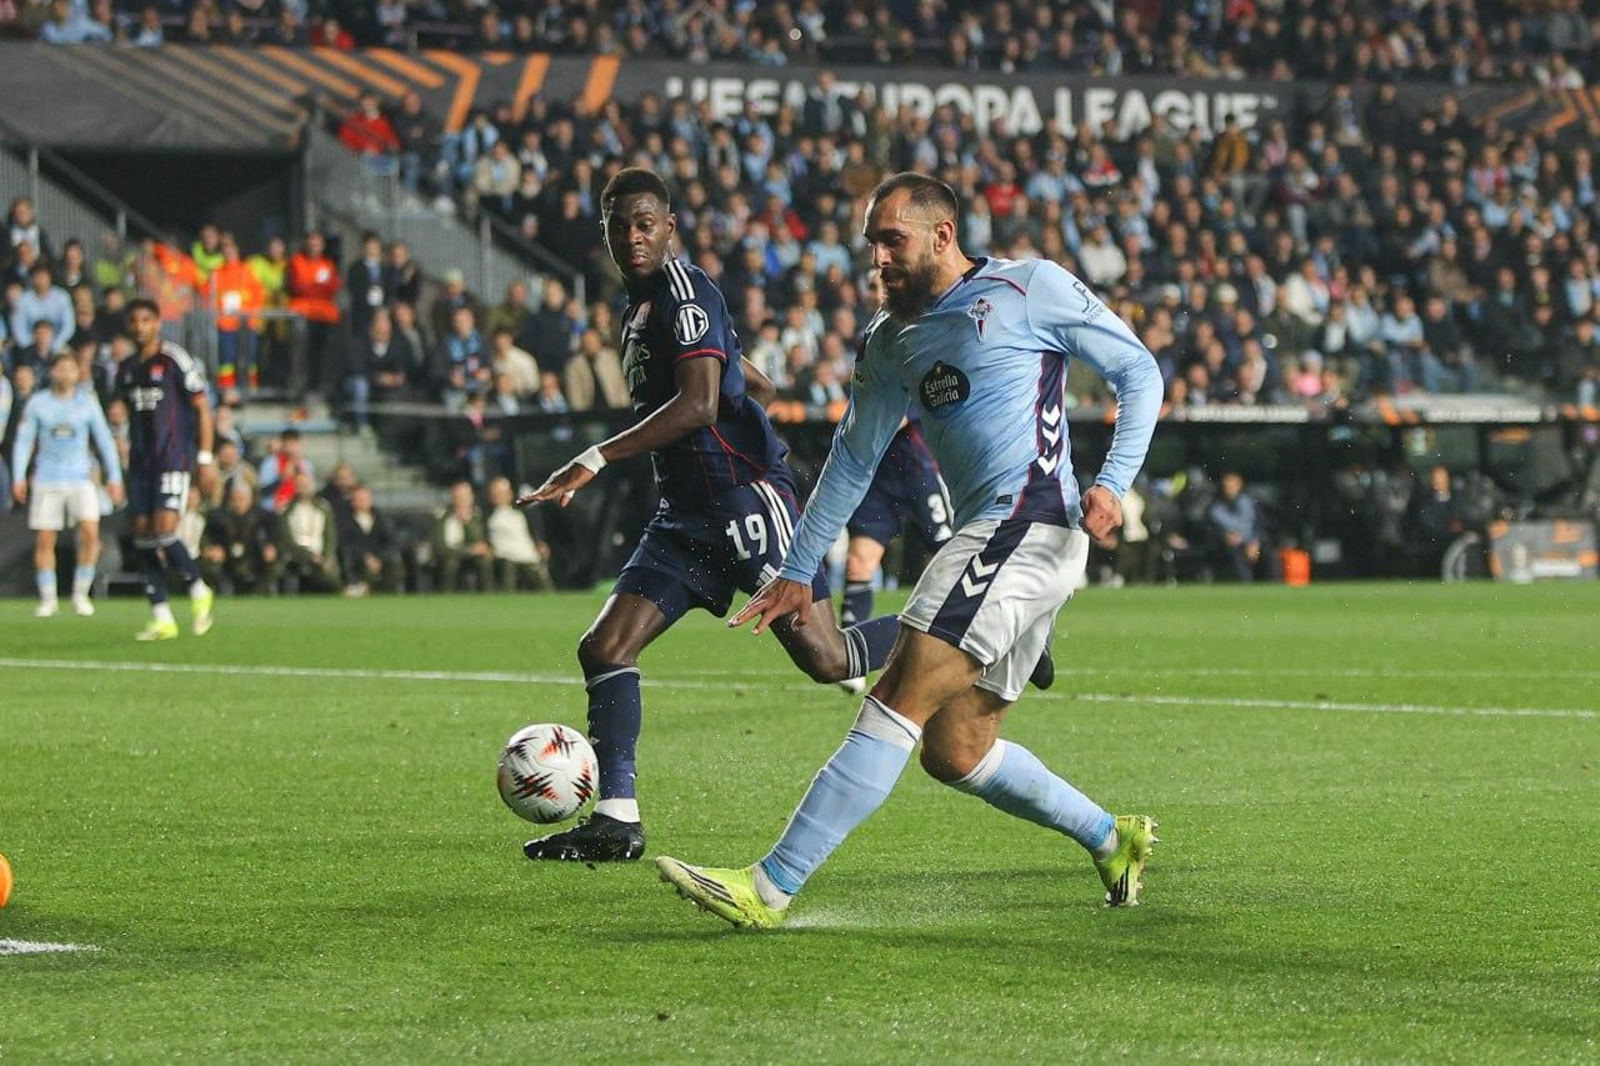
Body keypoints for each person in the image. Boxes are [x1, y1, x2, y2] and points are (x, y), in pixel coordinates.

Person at [655, 173, 1163, 927]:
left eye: (891, 241)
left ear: (942, 235)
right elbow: (853, 460)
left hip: (1026, 524)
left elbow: (1139, 371)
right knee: (955, 750)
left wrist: (1115, 482)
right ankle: (1109, 836)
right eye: (871, 247)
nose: (878, 262)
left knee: (897, 695)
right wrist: (798, 570)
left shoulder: (1030, 289)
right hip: (1004, 542)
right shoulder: (891, 341)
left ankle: (769, 888)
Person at [516, 168, 900, 864]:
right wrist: (733, 371)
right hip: (685, 514)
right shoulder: (642, 309)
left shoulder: (681, 291)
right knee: (605, 647)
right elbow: (755, 381)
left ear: (668, 227)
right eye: (619, 225)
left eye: (644, 223)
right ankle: (617, 819)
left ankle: (967, 628)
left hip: (743, 499)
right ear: (604, 232)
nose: (632, 236)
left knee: (826, 657)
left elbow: (698, 404)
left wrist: (595, 458)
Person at [114, 298, 217, 640]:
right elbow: (122, 414)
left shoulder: (174, 359)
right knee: (143, 535)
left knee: (164, 528)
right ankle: (162, 616)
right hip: (140, 463)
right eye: (133, 320)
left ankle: (199, 589)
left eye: (146, 319)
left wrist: (204, 457)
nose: (139, 326)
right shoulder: (126, 368)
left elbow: (202, 408)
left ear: (157, 323)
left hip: (172, 458)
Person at [11, 352, 124, 617]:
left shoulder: (87, 403)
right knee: (45, 539)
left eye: (70, 368)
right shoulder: (38, 403)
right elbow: (24, 440)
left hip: (80, 478)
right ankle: (49, 599)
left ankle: (80, 594)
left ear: (77, 373)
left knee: (90, 534)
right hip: (47, 478)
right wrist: (18, 475)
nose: (65, 373)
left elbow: (105, 440)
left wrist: (114, 476)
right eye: (60, 368)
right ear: (52, 372)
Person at [201, 481, 280, 594]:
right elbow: (210, 535)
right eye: (235, 499)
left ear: (250, 499)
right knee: (212, 564)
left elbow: (273, 531)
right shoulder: (218, 516)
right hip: (227, 559)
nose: (238, 503)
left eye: (242, 499)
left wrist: (271, 546)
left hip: (255, 558)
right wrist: (213, 547)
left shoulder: (262, 515)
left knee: (272, 562)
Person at [485, 475, 553, 591]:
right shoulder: (487, 516)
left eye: (502, 493)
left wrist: (539, 544)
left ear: (510, 494)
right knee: (508, 569)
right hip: (504, 557)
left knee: (543, 584)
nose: (498, 496)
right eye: (496, 493)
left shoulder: (521, 514)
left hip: (528, 556)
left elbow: (532, 533)